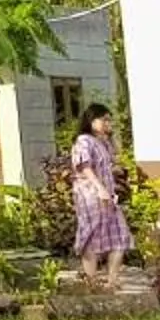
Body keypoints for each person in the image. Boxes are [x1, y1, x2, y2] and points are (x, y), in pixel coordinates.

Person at [69, 104, 127, 289]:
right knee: (91, 236)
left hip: (108, 196)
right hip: (89, 195)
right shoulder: (83, 140)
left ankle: (112, 281)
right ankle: (91, 281)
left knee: (120, 235)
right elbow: (85, 167)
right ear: (91, 120)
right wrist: (99, 188)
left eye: (109, 119)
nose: (107, 123)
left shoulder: (102, 142)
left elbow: (114, 158)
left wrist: (108, 135)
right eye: (104, 119)